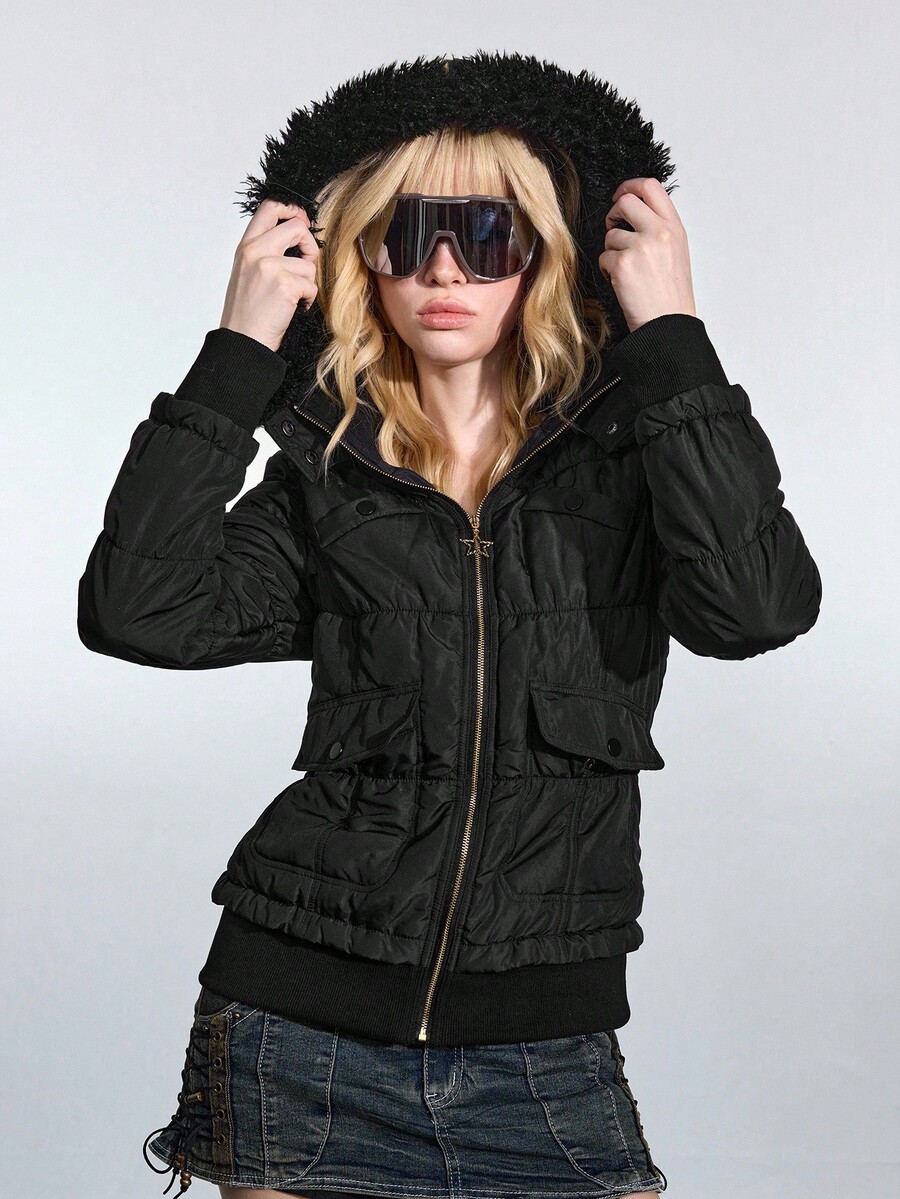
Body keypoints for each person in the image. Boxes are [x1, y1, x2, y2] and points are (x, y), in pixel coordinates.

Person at [78, 52, 822, 1199]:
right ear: (358, 257)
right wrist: (237, 354)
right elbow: (139, 609)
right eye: (406, 232)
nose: (442, 268)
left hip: (546, 1046)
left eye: (487, 233)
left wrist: (672, 332)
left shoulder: (630, 471)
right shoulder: (329, 479)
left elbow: (756, 607)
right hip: (295, 1025)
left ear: (548, 255)